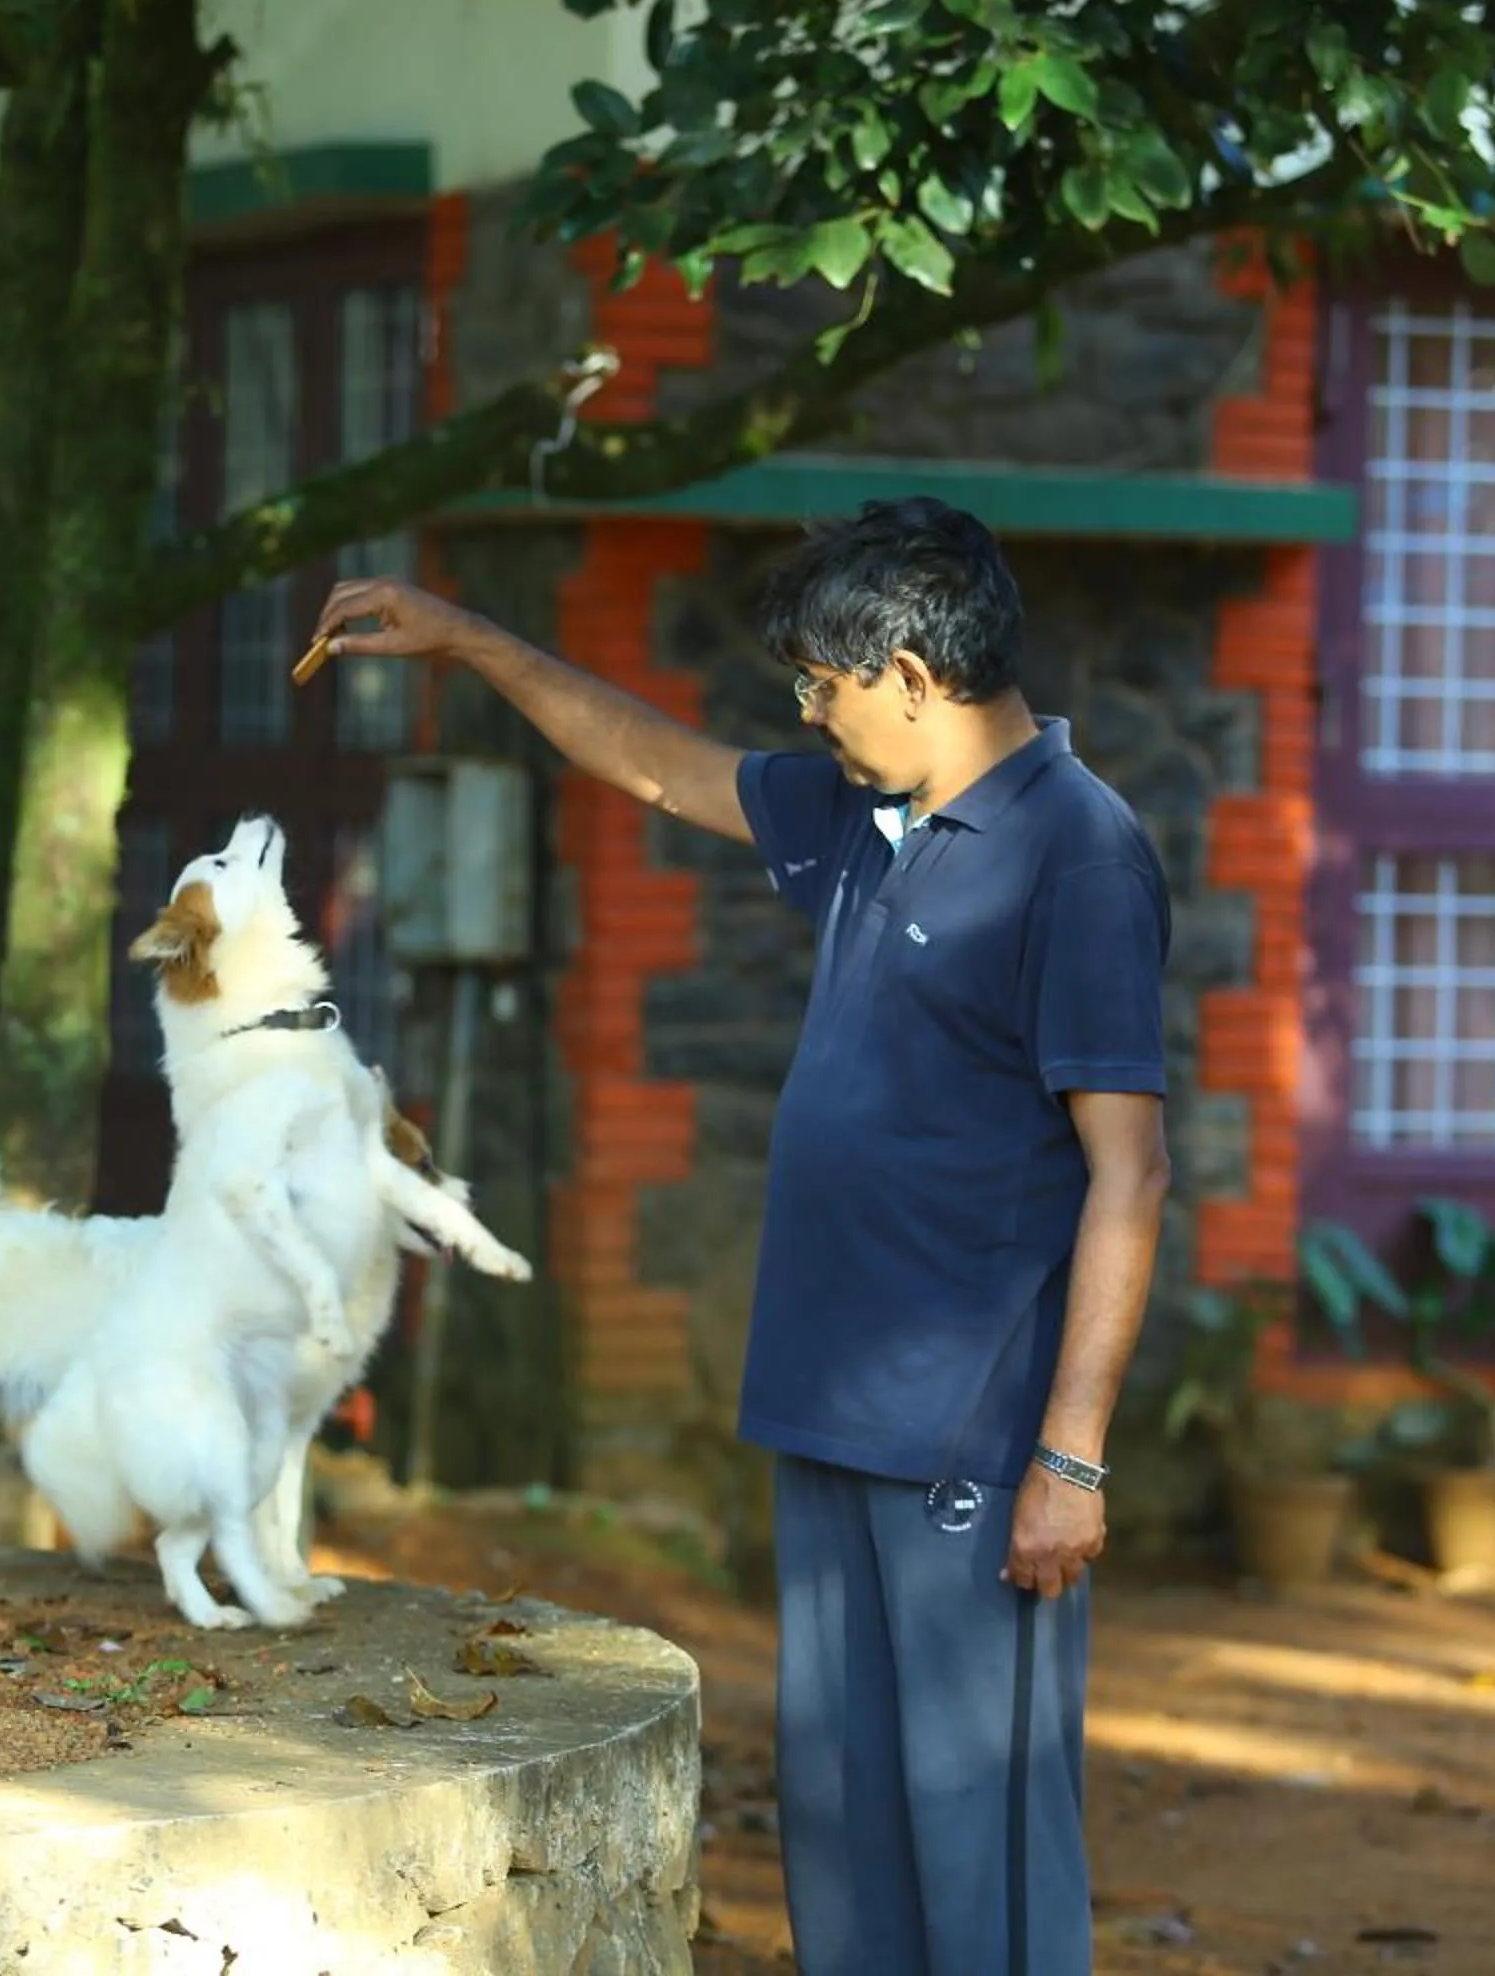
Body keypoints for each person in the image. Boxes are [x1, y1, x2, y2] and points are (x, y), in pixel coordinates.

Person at [314, 496, 1170, 1975]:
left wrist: (1071, 1455)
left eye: (824, 687)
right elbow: (655, 769)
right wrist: (470, 642)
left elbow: (1132, 1174)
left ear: (910, 674)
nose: (811, 717)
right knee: (843, 1820)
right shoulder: (868, 816)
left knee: (981, 1836)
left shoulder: (1074, 856)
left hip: (972, 1440)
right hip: (830, 1410)